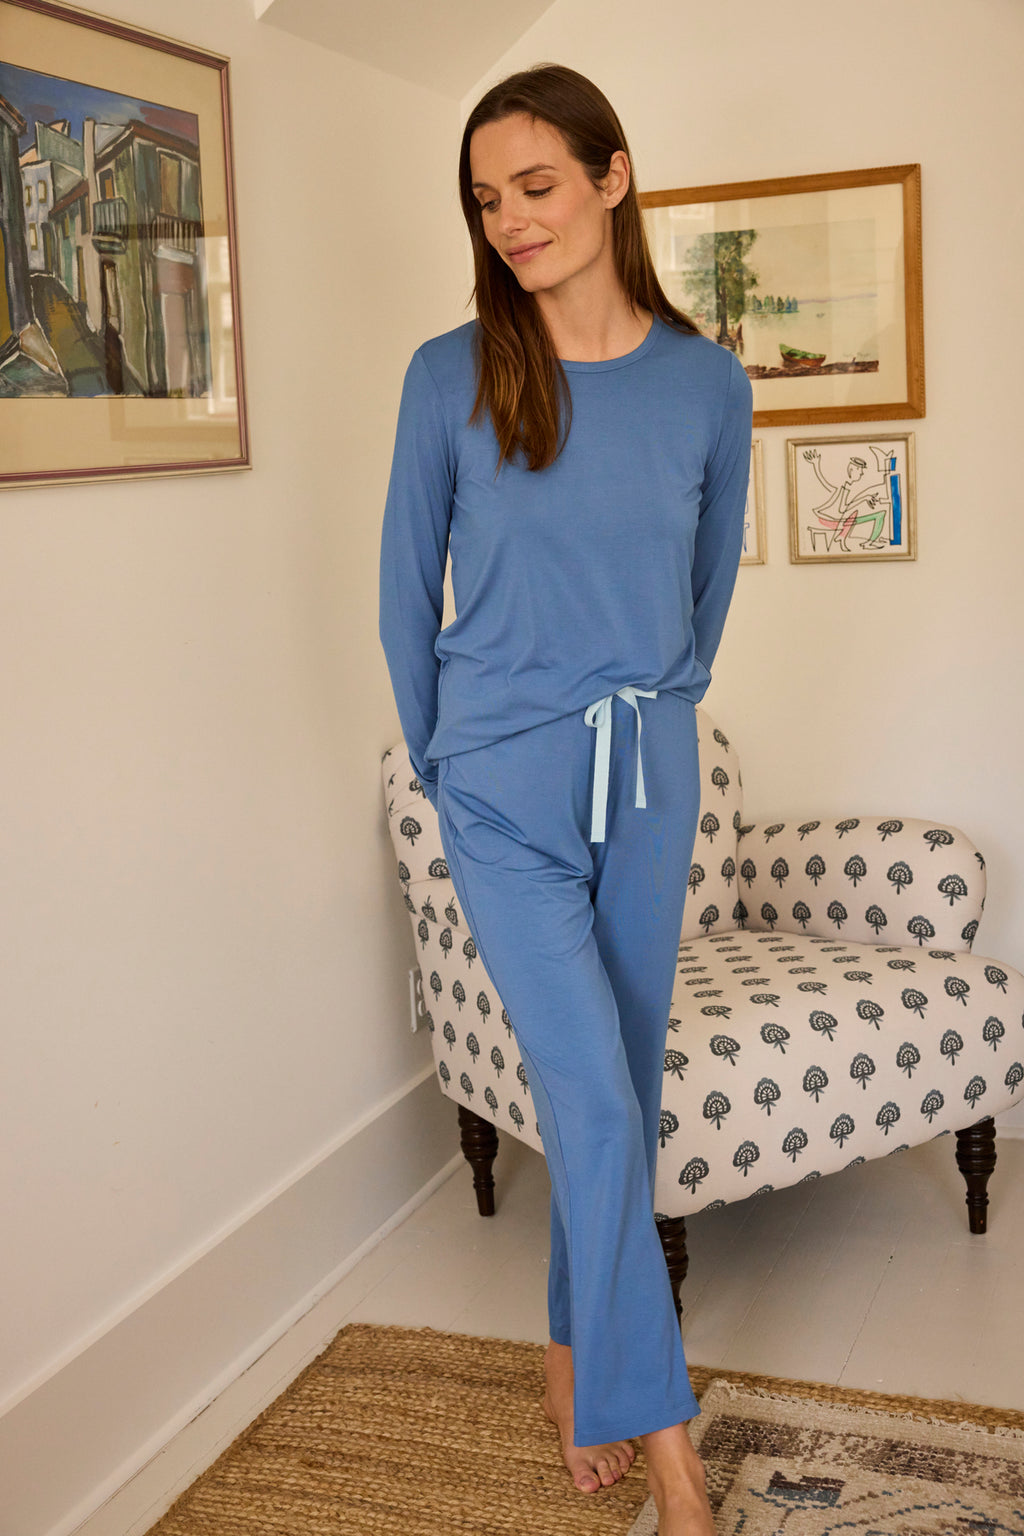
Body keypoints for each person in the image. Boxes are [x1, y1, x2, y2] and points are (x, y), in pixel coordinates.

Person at [379, 63, 752, 1536]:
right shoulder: (448, 373)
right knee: (596, 1098)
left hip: (648, 771)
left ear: (613, 177)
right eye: (487, 199)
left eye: (537, 185)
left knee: (611, 1092)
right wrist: (453, 761)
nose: (512, 219)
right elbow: (407, 597)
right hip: (503, 789)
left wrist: (649, 708)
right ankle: (670, 1454)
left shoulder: (708, 382)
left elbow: (704, 596)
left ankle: (565, 1351)